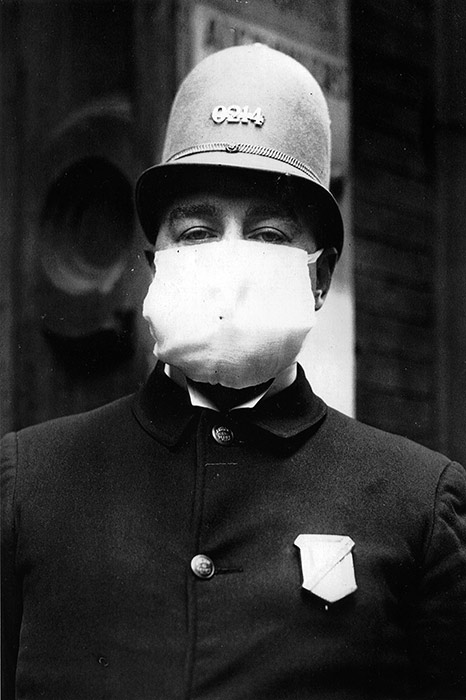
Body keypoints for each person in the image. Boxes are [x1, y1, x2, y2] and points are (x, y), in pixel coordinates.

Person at [2, 44, 465, 700]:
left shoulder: (418, 505)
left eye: (269, 235)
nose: (229, 264)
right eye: (195, 233)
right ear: (155, 263)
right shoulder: (28, 486)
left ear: (321, 277)